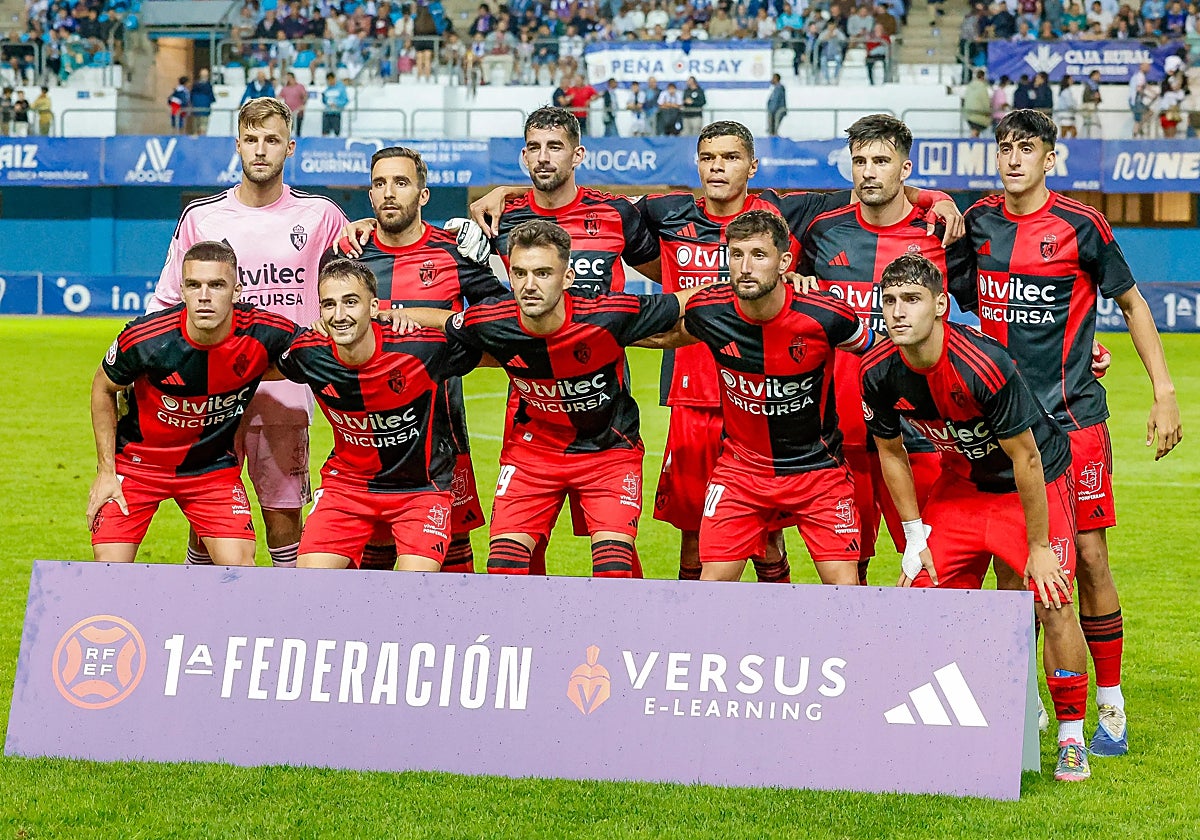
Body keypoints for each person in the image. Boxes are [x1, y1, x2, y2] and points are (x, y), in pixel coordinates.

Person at [948, 109, 1183, 757]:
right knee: (1012, 565)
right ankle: (1022, 700)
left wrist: (1164, 392)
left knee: (1088, 556)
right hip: (1003, 431)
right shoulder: (979, 222)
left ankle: (1110, 705)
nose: (1013, 157)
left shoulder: (1082, 226)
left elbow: (1132, 303)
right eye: (1004, 147)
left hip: (1074, 421)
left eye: (1026, 148)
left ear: (1050, 158)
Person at [861, 252, 1094, 783]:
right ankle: (948, 722)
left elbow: (1027, 459)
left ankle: (1071, 737)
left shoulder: (982, 364)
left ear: (941, 305)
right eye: (889, 301)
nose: (898, 312)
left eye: (912, 299)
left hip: (1031, 482)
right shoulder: (876, 370)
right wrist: (914, 536)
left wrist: (1038, 547)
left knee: (1053, 598)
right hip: (962, 487)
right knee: (921, 591)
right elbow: (892, 453)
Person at [405, 220, 688, 577]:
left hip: (607, 452)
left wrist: (742, 294)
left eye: (542, 273)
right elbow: (445, 321)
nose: (529, 285)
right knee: (503, 568)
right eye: (519, 273)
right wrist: (387, 315)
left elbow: (683, 302)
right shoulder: (493, 319)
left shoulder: (607, 313)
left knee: (613, 569)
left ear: (567, 278)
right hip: (533, 454)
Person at [148, 97, 350, 570]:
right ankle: (204, 606)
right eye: (252, 139)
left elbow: (355, 279)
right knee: (207, 518)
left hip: (285, 390)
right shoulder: (202, 217)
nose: (261, 150)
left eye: (272, 140)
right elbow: (167, 301)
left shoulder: (320, 216)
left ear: (290, 147)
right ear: (237, 145)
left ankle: (285, 610)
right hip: (212, 392)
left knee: (283, 516)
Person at [653, 210, 873, 586]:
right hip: (740, 472)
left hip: (818, 473)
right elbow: (660, 333)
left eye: (758, 254)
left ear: (784, 262)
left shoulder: (826, 315)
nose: (745, 267)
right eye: (736, 254)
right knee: (710, 590)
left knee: (845, 592)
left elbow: (877, 351)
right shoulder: (710, 310)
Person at [798, 114, 971, 584]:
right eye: (860, 161)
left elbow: (992, 304)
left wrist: (1084, 344)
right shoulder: (823, 231)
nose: (869, 172)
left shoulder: (940, 233)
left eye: (881, 161)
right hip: (839, 435)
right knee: (845, 571)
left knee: (933, 569)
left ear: (905, 169)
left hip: (920, 432)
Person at [345, 146, 508, 573]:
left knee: (451, 562)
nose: (389, 193)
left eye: (401, 182)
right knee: (373, 568)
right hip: (366, 442)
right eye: (380, 183)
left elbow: (502, 322)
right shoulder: (350, 259)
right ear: (370, 194)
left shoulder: (455, 254)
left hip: (442, 438)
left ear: (423, 195)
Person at [87, 241, 300, 566]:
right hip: (138, 467)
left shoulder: (265, 333)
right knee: (107, 569)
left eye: (216, 285)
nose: (204, 296)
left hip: (211, 470)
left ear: (237, 291)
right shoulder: (146, 338)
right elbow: (102, 386)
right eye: (194, 285)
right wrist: (105, 471)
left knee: (240, 567)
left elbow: (320, 353)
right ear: (182, 290)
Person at [275, 259, 485, 571]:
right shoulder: (308, 353)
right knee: (309, 582)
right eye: (329, 305)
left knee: (414, 587)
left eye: (350, 302)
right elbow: (264, 361)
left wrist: (409, 315)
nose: (339, 315)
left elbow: (479, 335)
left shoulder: (420, 348)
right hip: (346, 488)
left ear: (374, 306)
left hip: (420, 490)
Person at [963, 69, 992, 136]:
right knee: (976, 130)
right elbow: (985, 102)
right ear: (983, 77)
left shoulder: (970, 86)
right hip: (978, 114)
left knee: (975, 130)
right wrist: (988, 112)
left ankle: (973, 139)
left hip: (968, 113)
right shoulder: (982, 87)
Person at [278, 72, 308, 136]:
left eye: (289, 78)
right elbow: (279, 97)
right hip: (288, 112)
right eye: (287, 78)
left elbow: (305, 97)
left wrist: (303, 105)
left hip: (298, 112)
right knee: (288, 130)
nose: (288, 79)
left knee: (298, 130)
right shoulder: (285, 88)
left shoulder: (300, 87)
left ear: (293, 78)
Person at [190, 69, 215, 136]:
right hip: (205, 109)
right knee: (203, 127)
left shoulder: (195, 85)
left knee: (195, 127)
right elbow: (212, 98)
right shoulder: (208, 86)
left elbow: (191, 97)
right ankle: (202, 139)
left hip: (196, 109)